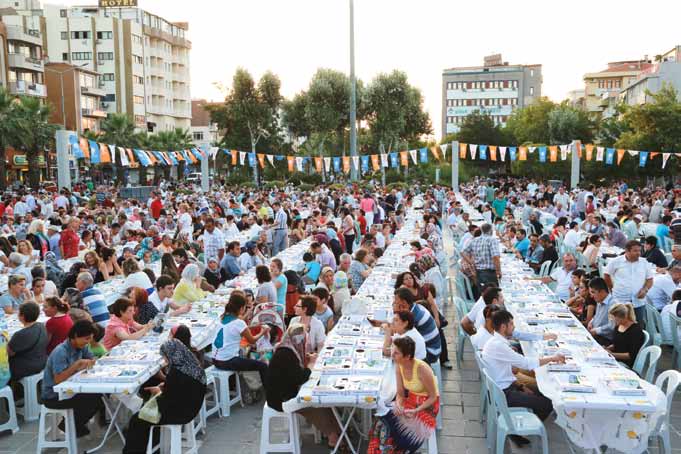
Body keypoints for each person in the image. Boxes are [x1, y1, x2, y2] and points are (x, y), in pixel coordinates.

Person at [481, 310, 564, 446]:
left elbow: (506, 374)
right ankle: (517, 430)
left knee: (541, 393)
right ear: (503, 327)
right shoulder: (499, 345)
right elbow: (526, 363)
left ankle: (522, 425)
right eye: (511, 324)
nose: (514, 327)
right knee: (548, 403)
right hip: (504, 395)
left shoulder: (495, 341)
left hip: (504, 388)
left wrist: (521, 386)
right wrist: (553, 358)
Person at [265, 323, 341, 449]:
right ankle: (333, 437)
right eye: (304, 339)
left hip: (285, 392)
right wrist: (311, 364)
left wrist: (307, 361)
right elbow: (300, 377)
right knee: (314, 404)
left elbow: (294, 372)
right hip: (281, 399)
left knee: (321, 403)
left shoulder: (288, 349)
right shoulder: (285, 354)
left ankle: (337, 430)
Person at [123, 339, 206, 453]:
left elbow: (167, 402)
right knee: (145, 413)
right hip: (193, 406)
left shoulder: (176, 373)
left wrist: (157, 393)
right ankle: (153, 446)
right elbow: (181, 389)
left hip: (182, 412)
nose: (165, 360)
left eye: (165, 357)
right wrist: (165, 387)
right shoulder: (193, 365)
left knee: (137, 420)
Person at [368, 337, 439, 454]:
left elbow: (433, 397)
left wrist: (417, 410)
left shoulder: (422, 369)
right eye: (392, 350)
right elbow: (400, 393)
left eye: (396, 353)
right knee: (381, 422)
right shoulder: (399, 364)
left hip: (427, 408)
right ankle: (378, 451)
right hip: (411, 401)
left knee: (395, 428)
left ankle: (397, 449)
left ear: (407, 356)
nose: (392, 354)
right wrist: (399, 404)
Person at [41, 321, 103, 438]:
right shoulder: (61, 351)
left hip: (70, 389)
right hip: (53, 395)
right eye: (86, 338)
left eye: (90, 339)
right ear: (75, 336)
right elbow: (58, 380)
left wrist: (93, 360)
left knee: (99, 397)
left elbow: (92, 359)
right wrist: (76, 365)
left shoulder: (82, 346)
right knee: (92, 400)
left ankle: (74, 425)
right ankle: (69, 425)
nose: (88, 342)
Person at [211, 292, 269, 385]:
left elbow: (238, 329)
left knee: (241, 354)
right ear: (242, 308)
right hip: (227, 361)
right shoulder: (239, 323)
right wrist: (263, 332)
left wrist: (255, 326)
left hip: (214, 359)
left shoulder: (222, 318)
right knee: (263, 366)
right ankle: (269, 393)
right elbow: (252, 340)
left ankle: (233, 385)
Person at [604, 240, 654, 326]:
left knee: (637, 327)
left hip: (638, 302)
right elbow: (606, 275)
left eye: (639, 250)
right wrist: (611, 288)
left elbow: (650, 279)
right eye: (635, 251)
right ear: (627, 251)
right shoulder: (616, 261)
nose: (638, 253)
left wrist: (645, 289)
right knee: (618, 326)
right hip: (620, 300)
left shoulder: (644, 262)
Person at [392, 288, 441, 365]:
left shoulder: (414, 317)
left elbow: (397, 332)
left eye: (396, 300)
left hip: (431, 352)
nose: (393, 302)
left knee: (397, 356)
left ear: (404, 303)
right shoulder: (415, 307)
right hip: (432, 347)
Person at [8, 301, 48, 381]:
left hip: (25, 367)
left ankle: (13, 389)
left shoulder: (21, 334)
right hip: (42, 361)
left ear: (22, 316)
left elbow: (9, 353)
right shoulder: (41, 326)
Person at [462, 223, 501, 293]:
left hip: (479, 271)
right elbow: (495, 257)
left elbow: (462, 252)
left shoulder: (475, 240)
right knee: (493, 293)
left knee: (483, 294)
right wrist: (498, 271)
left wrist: (471, 262)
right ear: (491, 231)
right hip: (489, 273)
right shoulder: (492, 240)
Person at [605, 303, 645, 369]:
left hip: (625, 363)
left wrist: (611, 354)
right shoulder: (618, 326)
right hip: (615, 358)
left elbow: (631, 355)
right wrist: (607, 348)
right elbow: (617, 343)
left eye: (614, 318)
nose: (612, 320)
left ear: (622, 317)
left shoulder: (635, 331)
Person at [587, 277, 616, 345]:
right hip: (597, 336)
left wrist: (596, 331)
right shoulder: (599, 300)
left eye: (593, 292)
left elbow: (612, 326)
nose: (591, 296)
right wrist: (591, 322)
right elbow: (597, 316)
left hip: (606, 340)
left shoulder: (613, 304)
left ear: (602, 291)